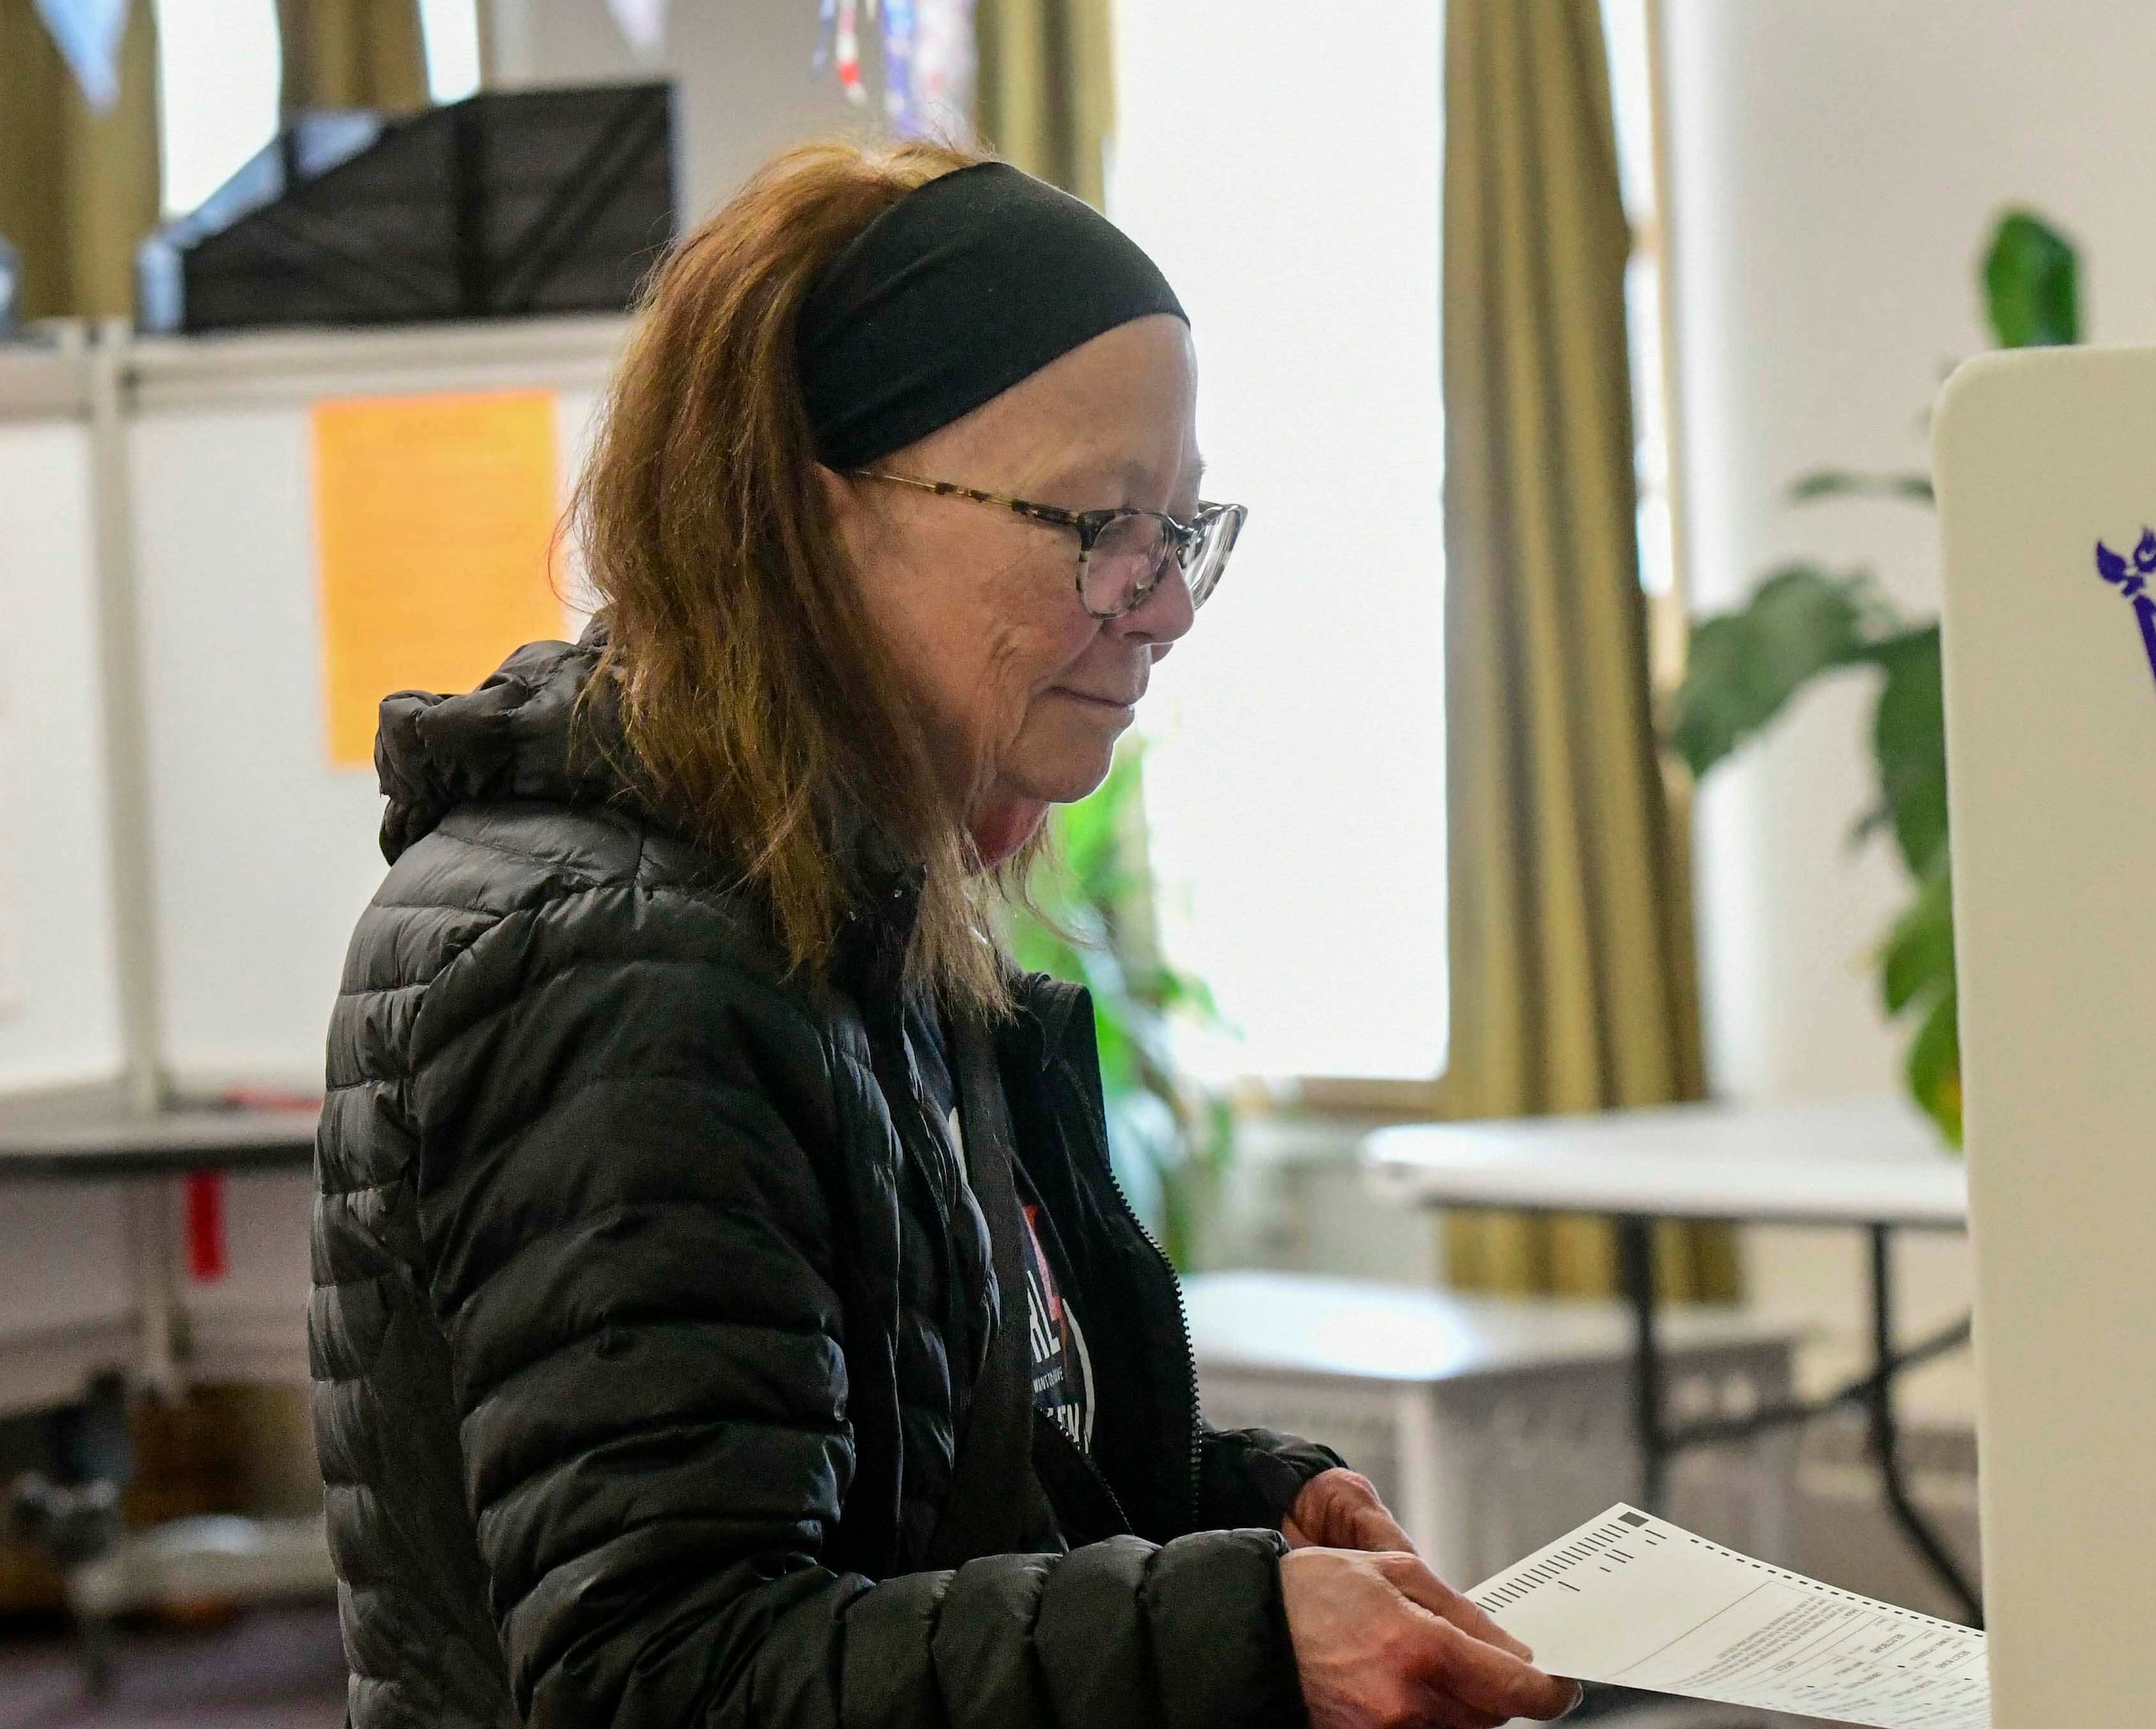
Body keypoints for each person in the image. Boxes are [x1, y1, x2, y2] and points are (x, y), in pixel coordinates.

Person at [311, 138, 1580, 1729]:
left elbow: (926, 1481)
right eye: (1101, 523)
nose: (1164, 601)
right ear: (811, 515)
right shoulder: (617, 965)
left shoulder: (849, 916)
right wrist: (1229, 1631)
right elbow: (666, 1677)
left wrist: (1241, 1517)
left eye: (1183, 529)